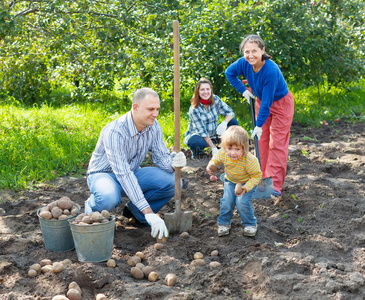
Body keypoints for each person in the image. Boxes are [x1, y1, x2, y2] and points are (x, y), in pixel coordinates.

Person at [85, 87, 187, 239]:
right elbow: (123, 174)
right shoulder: (115, 132)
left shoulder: (153, 126)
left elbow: (161, 157)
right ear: (135, 107)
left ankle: (136, 213)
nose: (156, 114)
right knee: (108, 196)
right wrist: (149, 212)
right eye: (151, 109)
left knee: (174, 182)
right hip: (104, 176)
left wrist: (173, 163)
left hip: (132, 172)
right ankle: (91, 208)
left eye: (158, 109)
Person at [225, 34, 294, 197]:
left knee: (276, 143)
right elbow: (229, 73)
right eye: (246, 51)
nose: (250, 55)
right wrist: (243, 91)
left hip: (280, 104)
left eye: (254, 51)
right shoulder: (244, 63)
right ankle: (260, 178)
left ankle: (275, 186)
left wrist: (258, 125)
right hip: (261, 101)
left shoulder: (270, 70)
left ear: (263, 50)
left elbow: (268, 102)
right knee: (260, 142)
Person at [206, 126, 262, 237]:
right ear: (225, 147)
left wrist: (246, 187)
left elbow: (256, 176)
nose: (232, 153)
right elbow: (215, 160)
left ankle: (250, 224)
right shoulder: (223, 153)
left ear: (244, 148)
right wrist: (210, 166)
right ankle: (224, 223)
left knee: (242, 202)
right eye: (230, 148)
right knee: (227, 201)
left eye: (237, 149)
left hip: (246, 182)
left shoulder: (249, 160)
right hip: (231, 181)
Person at [184, 77, 239, 159]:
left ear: (211, 90)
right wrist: (213, 148)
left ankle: (223, 146)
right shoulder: (194, 108)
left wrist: (224, 123)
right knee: (197, 142)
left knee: (233, 122)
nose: (205, 92)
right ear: (198, 92)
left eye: (207, 89)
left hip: (214, 134)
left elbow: (230, 112)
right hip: (200, 136)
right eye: (202, 90)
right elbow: (202, 132)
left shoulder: (215, 99)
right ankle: (197, 154)